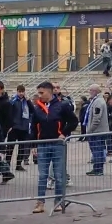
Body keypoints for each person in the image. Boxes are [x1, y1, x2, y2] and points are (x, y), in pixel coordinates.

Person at [26, 80, 76, 212]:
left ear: (49, 91)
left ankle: (58, 201)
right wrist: (33, 145)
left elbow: (73, 121)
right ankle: (40, 203)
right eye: (39, 93)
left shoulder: (62, 105)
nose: (39, 95)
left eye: (41, 92)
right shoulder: (37, 108)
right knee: (43, 175)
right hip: (42, 144)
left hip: (58, 144)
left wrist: (64, 133)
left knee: (59, 175)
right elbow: (34, 128)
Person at [81, 84, 111, 175]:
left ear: (95, 91)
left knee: (97, 150)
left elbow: (96, 118)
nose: (89, 92)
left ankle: (98, 169)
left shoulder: (98, 102)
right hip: (99, 130)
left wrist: (90, 130)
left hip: (97, 131)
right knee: (98, 149)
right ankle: (97, 168)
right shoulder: (97, 100)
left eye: (90, 90)